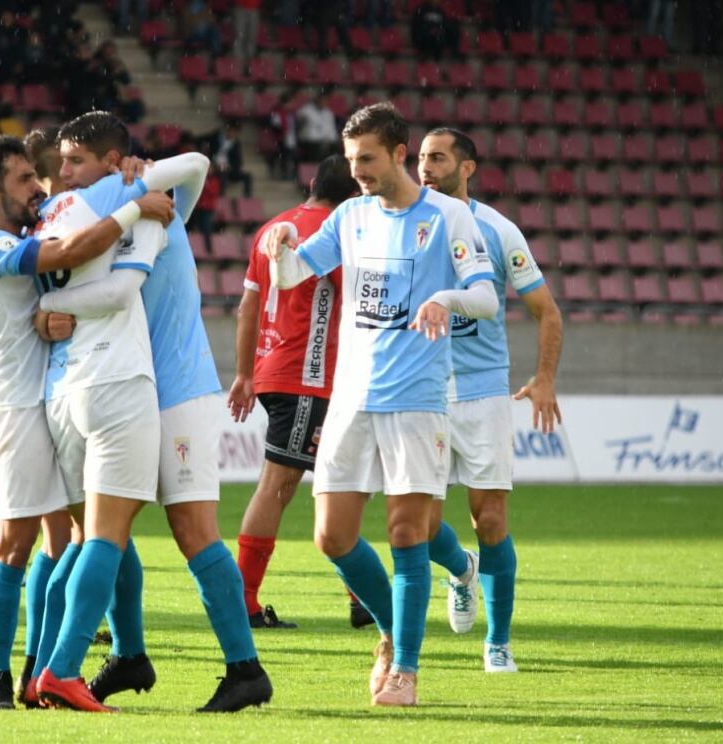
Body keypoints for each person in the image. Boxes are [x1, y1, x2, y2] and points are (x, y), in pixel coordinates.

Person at [32, 112, 273, 713]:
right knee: (103, 527)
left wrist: (148, 176)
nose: (64, 173)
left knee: (193, 533)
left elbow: (195, 165)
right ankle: (130, 653)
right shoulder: (120, 213)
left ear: (113, 163)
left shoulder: (134, 200)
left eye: (75, 160)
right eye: (61, 162)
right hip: (128, 387)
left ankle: (246, 670)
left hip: (176, 388)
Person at [261, 102, 498, 706]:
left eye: (367, 158)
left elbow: (487, 298)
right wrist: (282, 246)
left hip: (417, 400)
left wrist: (446, 297)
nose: (358, 170)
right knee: (331, 537)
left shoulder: (447, 217)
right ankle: (392, 630)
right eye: (350, 160)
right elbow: (293, 275)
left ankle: (407, 670)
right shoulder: (349, 215)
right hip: (351, 398)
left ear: (399, 152)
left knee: (406, 535)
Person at [0, 134, 174, 710]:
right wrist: (135, 206)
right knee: (15, 544)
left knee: (70, 540)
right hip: (11, 407)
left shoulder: (24, 231)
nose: (39, 187)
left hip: (54, 396)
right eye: (25, 180)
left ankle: (44, 669)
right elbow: (68, 256)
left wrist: (131, 171)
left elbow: (57, 288)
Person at [417, 127, 563, 673]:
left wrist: (544, 377)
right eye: (422, 158)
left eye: (438, 158)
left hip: (482, 395)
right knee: (420, 526)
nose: (426, 167)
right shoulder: (404, 223)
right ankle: (462, 571)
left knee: (492, 519)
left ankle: (498, 643)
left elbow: (546, 310)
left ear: (468, 167)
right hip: (420, 392)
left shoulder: (499, 231)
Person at [227, 155, 361, 629]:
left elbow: (248, 305)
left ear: (311, 183)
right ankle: (241, 601)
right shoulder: (340, 232)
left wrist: (245, 374)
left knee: (337, 479)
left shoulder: (274, 227)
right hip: (308, 376)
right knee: (278, 486)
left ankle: (360, 596)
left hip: (275, 370)